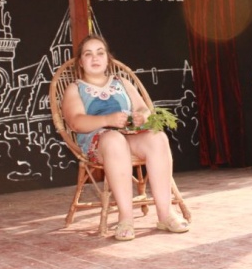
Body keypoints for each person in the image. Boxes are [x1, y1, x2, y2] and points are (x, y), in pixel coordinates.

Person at [62, 34, 189, 241]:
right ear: (81, 62)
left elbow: (144, 109)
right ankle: (126, 217)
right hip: (99, 142)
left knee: (158, 138)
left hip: (130, 136)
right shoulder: (76, 88)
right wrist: (107, 119)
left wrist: (141, 116)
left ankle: (165, 214)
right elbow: (76, 122)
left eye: (100, 53)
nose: (95, 58)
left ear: (108, 59)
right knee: (114, 140)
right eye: (88, 54)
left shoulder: (122, 82)